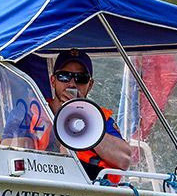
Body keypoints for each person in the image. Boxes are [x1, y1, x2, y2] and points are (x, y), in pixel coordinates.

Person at [36, 50, 132, 181]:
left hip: (88, 188)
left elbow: (124, 160)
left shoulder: (100, 118)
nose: (72, 84)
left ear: (90, 85)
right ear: (53, 81)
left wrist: (86, 123)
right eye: (64, 76)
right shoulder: (32, 111)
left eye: (81, 78)